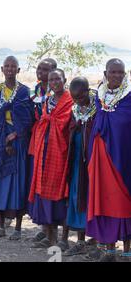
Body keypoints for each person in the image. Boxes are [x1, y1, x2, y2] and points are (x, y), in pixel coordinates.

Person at [0, 56, 34, 240]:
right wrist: (3, 138)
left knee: (18, 183)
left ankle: (18, 228)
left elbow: (28, 118)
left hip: (19, 142)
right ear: (2, 69)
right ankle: (2, 226)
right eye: (7, 66)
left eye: (14, 67)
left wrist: (14, 134)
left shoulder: (24, 92)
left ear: (19, 70)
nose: (10, 69)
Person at [86, 58, 131, 262]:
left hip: (125, 157)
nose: (117, 76)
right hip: (102, 156)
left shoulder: (129, 96)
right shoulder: (99, 96)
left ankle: (128, 249)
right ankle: (110, 248)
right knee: (106, 199)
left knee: (125, 199)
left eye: (120, 73)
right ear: (106, 73)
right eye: (113, 72)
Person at [28, 69, 73, 249]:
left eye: (57, 79)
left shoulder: (70, 100)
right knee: (43, 190)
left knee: (61, 193)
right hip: (45, 151)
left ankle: (64, 238)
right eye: (51, 80)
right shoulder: (48, 100)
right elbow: (45, 121)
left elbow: (67, 124)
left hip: (62, 153)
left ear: (64, 80)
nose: (54, 82)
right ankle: (48, 234)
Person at [63, 77, 97, 256]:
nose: (77, 101)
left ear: (87, 91)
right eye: (74, 98)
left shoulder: (98, 107)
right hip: (77, 161)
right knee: (78, 197)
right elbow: (69, 129)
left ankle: (96, 239)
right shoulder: (74, 109)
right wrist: (75, 128)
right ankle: (80, 240)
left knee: (93, 198)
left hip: (93, 163)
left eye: (80, 98)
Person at [28, 58, 58, 242]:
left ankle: (52, 230)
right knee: (37, 180)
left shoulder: (59, 93)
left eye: (45, 69)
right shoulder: (35, 91)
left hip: (53, 142)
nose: (41, 72)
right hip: (36, 139)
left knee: (50, 183)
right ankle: (43, 225)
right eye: (39, 68)